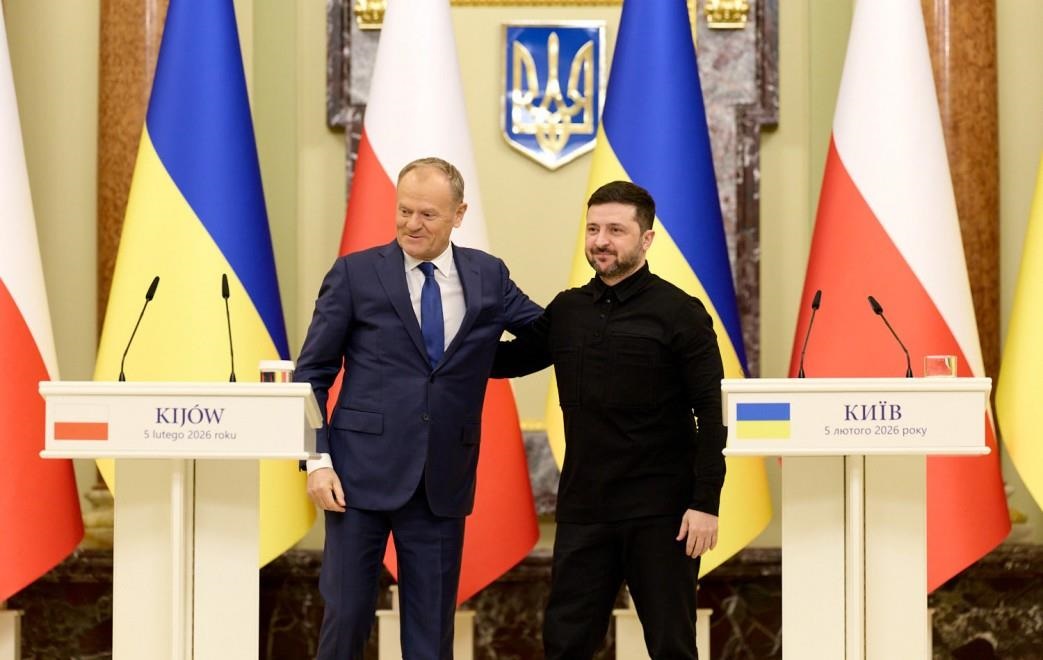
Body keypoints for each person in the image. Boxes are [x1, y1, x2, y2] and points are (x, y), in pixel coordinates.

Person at [294, 157, 542, 660]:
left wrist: (482, 362)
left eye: (428, 214)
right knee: (346, 620)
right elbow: (312, 374)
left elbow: (545, 336)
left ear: (458, 214)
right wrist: (316, 462)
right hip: (355, 479)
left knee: (431, 633)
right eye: (404, 210)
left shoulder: (487, 275)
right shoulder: (355, 274)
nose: (412, 224)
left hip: (440, 481)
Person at [493, 180, 726, 659]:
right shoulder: (567, 310)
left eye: (616, 230)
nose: (601, 241)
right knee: (565, 645)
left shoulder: (681, 313)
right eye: (594, 228)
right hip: (585, 511)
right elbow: (507, 361)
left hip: (663, 514)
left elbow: (712, 414)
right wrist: (433, 337)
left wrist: (706, 503)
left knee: (672, 646)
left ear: (647, 238)